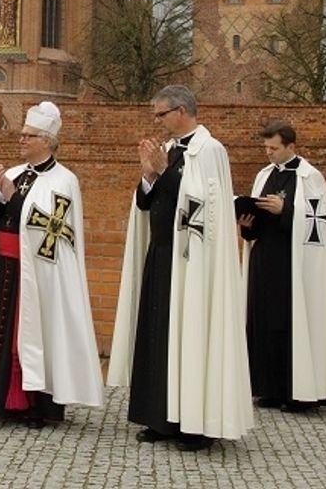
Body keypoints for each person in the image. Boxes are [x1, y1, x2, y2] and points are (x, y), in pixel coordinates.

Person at [108, 85, 253, 451]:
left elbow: (205, 206)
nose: (157, 121)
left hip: (195, 262)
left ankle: (194, 425)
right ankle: (161, 418)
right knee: (159, 336)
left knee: (190, 334)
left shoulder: (210, 151)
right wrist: (149, 175)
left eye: (161, 114)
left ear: (183, 110)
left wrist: (165, 172)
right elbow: (146, 203)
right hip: (161, 253)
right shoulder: (170, 151)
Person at [0, 101, 104, 428]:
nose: (20, 140)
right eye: (21, 134)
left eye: (28, 135)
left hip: (40, 274)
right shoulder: (14, 174)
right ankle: (0, 404)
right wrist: (4, 197)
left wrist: (13, 197)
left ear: (46, 141)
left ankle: (38, 408)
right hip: (6, 266)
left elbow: (52, 230)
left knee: (34, 336)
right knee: (3, 334)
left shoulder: (64, 181)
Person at [238, 120, 326, 412]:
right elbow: (255, 227)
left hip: (295, 266)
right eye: (265, 147)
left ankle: (298, 393)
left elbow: (317, 224)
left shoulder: (309, 178)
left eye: (274, 148)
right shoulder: (264, 175)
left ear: (291, 146)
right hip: (264, 262)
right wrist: (247, 226)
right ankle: (268, 388)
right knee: (264, 322)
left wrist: (285, 210)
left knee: (290, 324)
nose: (269, 153)